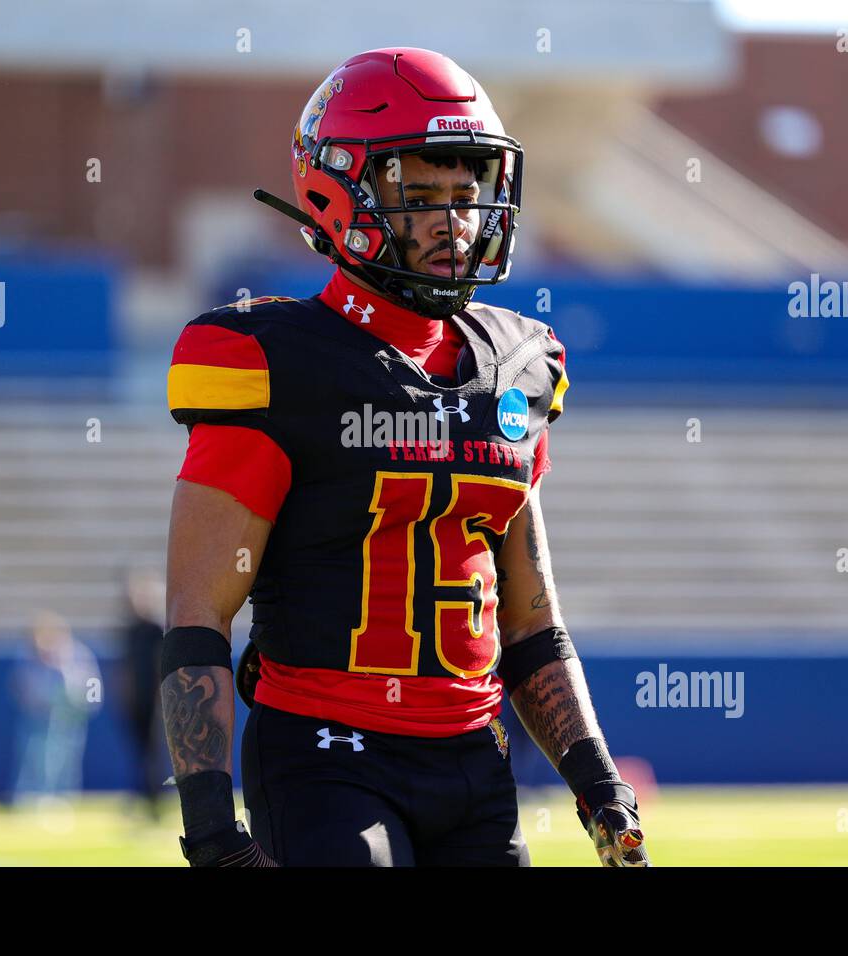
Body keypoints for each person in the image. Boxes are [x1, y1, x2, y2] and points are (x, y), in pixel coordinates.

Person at [161, 48, 648, 867]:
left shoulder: (517, 365)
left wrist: (599, 783)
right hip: (324, 759)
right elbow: (197, 612)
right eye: (419, 196)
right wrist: (211, 829)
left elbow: (530, 622)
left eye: (466, 195)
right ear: (336, 190)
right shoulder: (273, 361)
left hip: (473, 761)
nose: (452, 222)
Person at [10, 610, 101, 804]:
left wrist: (65, 671)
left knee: (68, 760)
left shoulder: (79, 654)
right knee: (35, 757)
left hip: (71, 718)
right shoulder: (29, 655)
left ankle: (63, 798)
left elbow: (93, 693)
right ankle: (31, 797)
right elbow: (21, 688)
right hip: (38, 719)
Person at [117, 567, 167, 819]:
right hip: (135, 700)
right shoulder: (130, 630)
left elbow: (162, 664)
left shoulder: (155, 629)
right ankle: (144, 796)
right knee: (140, 751)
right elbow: (125, 667)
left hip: (153, 700)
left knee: (153, 751)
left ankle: (155, 801)